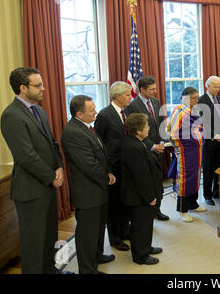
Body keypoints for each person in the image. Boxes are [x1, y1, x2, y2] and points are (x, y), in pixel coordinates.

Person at [0, 67, 65, 274]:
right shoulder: (11, 115)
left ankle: (50, 269)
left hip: (46, 185)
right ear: (22, 88)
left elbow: (51, 143)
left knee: (49, 237)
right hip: (30, 190)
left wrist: (59, 167)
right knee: (33, 243)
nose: (44, 89)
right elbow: (25, 156)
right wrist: (50, 177)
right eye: (38, 86)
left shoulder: (39, 110)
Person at [61, 95, 116, 274]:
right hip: (88, 191)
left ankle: (97, 255)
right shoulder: (73, 132)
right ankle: (87, 269)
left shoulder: (87, 127)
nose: (96, 112)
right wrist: (106, 177)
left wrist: (107, 172)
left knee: (99, 227)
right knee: (87, 233)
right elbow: (88, 164)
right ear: (79, 113)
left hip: (98, 188)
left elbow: (100, 153)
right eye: (91, 110)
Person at [94, 82, 132, 252]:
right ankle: (115, 238)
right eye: (128, 95)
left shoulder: (127, 112)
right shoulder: (104, 115)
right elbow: (99, 143)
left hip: (126, 164)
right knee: (114, 204)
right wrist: (107, 168)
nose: (130, 98)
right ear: (118, 96)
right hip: (113, 166)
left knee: (124, 200)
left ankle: (124, 231)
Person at [121, 113, 163, 265]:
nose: (149, 128)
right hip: (138, 196)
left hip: (141, 194)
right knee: (140, 225)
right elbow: (141, 176)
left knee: (146, 224)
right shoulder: (133, 147)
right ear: (138, 130)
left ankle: (146, 247)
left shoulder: (139, 141)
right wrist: (150, 196)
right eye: (146, 126)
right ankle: (140, 255)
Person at [125, 75, 169, 221]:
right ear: (141, 89)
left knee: (158, 182)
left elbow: (160, 123)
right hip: (146, 149)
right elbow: (136, 130)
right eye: (152, 89)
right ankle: (150, 210)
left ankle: (157, 209)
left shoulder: (155, 102)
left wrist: (162, 141)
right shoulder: (133, 106)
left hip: (159, 147)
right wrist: (152, 146)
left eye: (155, 88)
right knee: (149, 182)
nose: (155, 91)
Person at [167, 87, 206, 223]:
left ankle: (193, 203)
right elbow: (172, 133)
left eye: (197, 97)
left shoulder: (193, 110)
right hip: (185, 150)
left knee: (195, 176)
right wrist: (180, 147)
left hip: (196, 149)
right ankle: (183, 210)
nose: (196, 100)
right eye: (194, 98)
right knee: (184, 177)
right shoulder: (179, 111)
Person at [198, 75, 220, 206]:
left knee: (218, 168)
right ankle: (207, 195)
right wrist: (215, 135)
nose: (217, 89)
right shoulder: (200, 101)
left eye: (218, 87)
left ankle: (216, 192)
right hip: (209, 141)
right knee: (208, 169)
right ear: (207, 86)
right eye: (215, 87)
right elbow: (203, 123)